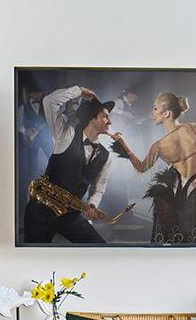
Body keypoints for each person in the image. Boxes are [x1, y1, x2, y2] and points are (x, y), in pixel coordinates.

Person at [114, 90, 196, 245]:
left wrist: (123, 145)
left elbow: (141, 168)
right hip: (193, 192)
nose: (151, 112)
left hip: (173, 197)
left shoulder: (159, 146)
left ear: (166, 113)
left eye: (155, 108)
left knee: (176, 241)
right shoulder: (194, 128)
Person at [20, 90, 131, 245]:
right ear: (92, 118)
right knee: (35, 262)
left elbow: (98, 188)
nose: (110, 121)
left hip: (70, 214)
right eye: (105, 116)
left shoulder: (105, 157)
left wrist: (92, 205)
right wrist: (80, 90)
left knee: (99, 249)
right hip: (41, 210)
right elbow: (49, 102)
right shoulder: (66, 134)